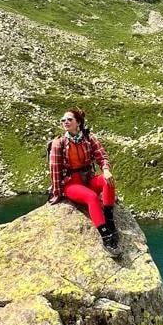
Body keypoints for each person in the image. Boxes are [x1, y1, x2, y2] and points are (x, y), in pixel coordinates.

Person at [47, 107, 120, 255]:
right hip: (72, 183)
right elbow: (55, 170)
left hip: (89, 178)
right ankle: (106, 236)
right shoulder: (59, 143)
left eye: (69, 119)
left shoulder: (89, 137)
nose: (65, 122)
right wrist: (57, 193)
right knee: (91, 197)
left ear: (78, 123)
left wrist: (105, 170)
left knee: (108, 181)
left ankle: (109, 221)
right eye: (63, 120)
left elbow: (101, 156)